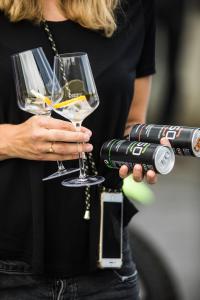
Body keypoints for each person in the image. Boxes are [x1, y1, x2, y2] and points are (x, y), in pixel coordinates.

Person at [0, 0, 168, 299]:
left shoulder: (131, 9)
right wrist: (10, 140)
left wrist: (142, 152)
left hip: (106, 266)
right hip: (7, 265)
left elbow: (131, 123)